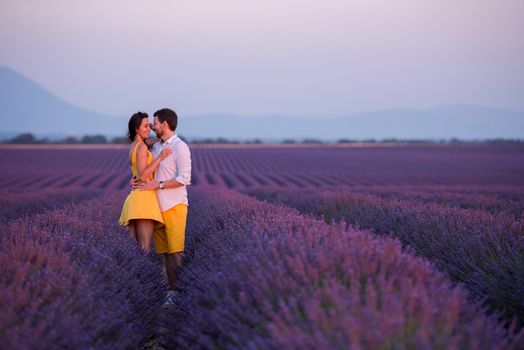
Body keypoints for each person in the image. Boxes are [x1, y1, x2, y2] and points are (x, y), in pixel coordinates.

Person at [134, 108, 192, 306]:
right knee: (166, 253)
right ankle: (171, 292)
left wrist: (156, 185)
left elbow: (185, 178)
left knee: (176, 252)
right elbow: (146, 168)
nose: (152, 127)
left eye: (155, 124)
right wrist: (137, 179)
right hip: (157, 207)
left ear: (165, 124)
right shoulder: (156, 146)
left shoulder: (180, 147)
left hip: (175, 205)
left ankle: (179, 293)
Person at [119, 111, 173, 253]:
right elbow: (143, 176)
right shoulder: (142, 147)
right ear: (136, 129)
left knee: (131, 250)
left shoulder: (135, 146)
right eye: (145, 126)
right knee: (145, 248)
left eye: (150, 126)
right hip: (144, 200)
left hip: (134, 199)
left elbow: (151, 141)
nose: (149, 129)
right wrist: (160, 157)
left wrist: (159, 135)